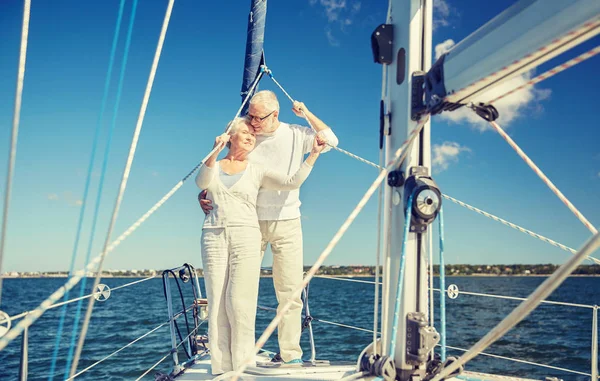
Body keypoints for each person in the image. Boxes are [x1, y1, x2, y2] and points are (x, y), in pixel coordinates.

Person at [199, 90, 339, 365]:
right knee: (240, 294)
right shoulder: (245, 136)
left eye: (257, 117)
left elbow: (331, 140)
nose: (252, 122)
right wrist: (206, 194)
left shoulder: (296, 133)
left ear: (275, 114)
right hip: (249, 222)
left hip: (287, 220)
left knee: (289, 291)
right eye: (249, 115)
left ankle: (290, 355)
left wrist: (307, 113)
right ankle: (239, 356)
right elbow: (220, 171)